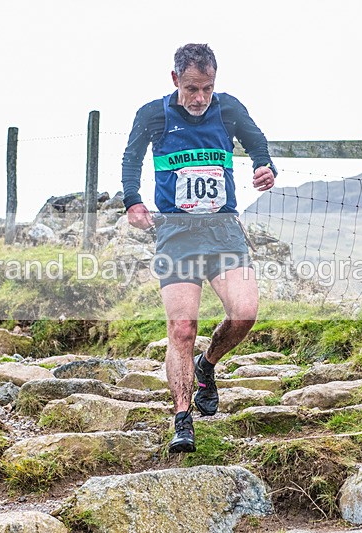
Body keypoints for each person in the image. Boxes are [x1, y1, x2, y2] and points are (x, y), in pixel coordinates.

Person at [121, 43, 277, 453]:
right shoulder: (153, 114)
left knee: (244, 314)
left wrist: (265, 166)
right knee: (182, 328)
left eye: (207, 88)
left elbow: (257, 143)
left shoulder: (228, 109)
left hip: (223, 230)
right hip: (177, 233)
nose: (200, 98)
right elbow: (131, 158)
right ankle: (182, 418)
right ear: (175, 79)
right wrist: (132, 201)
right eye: (191, 88)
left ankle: (206, 366)